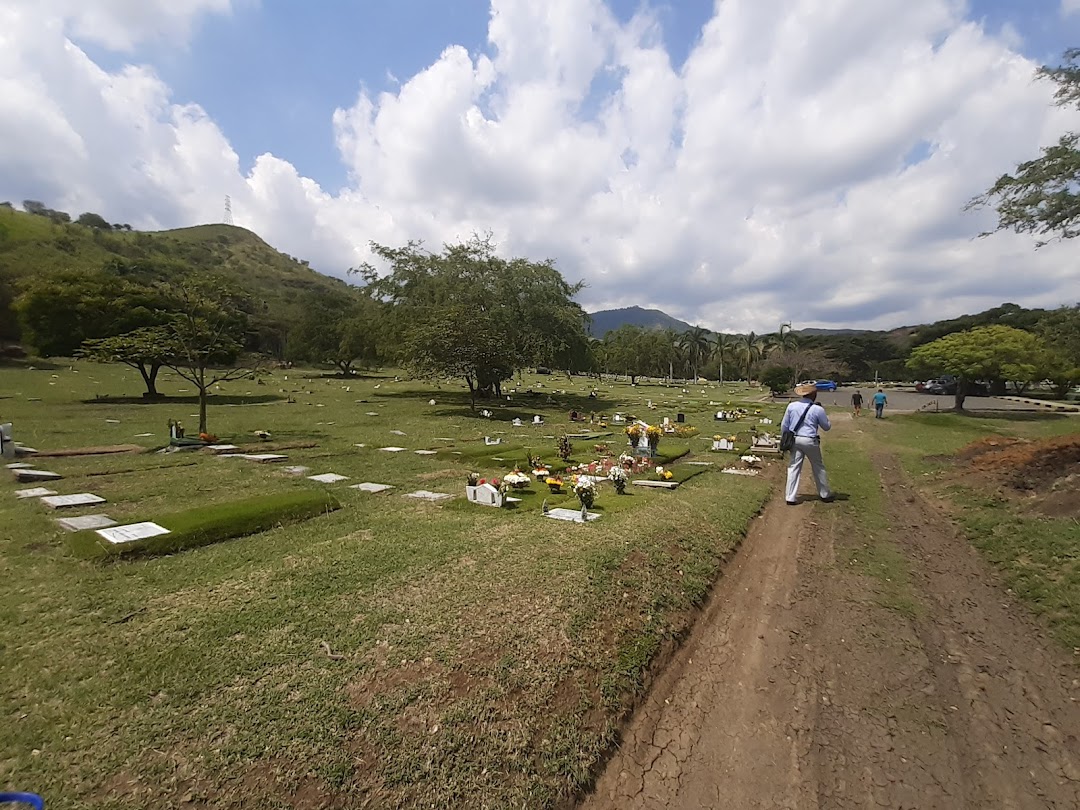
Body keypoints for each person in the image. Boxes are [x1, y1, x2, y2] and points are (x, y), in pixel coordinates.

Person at [781, 382, 833, 505]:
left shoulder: (792, 406)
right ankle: (824, 494)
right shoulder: (817, 409)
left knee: (794, 467)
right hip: (810, 439)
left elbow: (785, 425)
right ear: (813, 394)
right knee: (818, 466)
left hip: (795, 438)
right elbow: (826, 427)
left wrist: (785, 438)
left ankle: (790, 496)